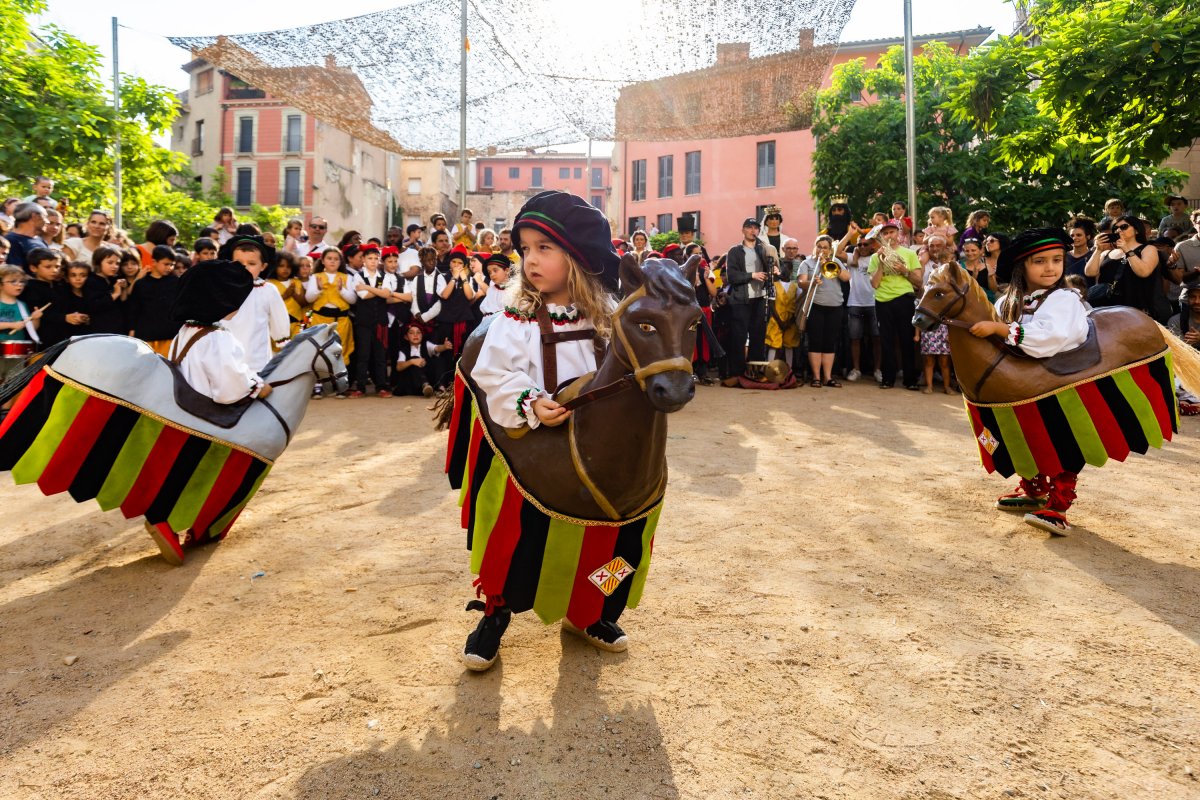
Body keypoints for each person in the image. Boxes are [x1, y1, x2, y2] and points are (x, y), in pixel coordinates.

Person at [459, 190, 625, 671]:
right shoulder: (517, 316)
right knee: (517, 537)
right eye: (525, 249)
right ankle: (495, 612)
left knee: (618, 537)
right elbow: (494, 373)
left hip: (596, 451)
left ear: (575, 256)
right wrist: (531, 401)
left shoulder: (608, 315)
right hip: (536, 447)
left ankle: (593, 610)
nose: (530, 259)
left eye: (543, 248)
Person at [965, 229, 1090, 534]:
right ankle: (1033, 488)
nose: (1051, 267)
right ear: (1023, 267)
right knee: (1024, 435)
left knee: (1063, 439)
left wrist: (1000, 329)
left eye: (1057, 260)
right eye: (1040, 261)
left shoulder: (1064, 298)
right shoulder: (1009, 300)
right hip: (1025, 385)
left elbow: (1052, 337)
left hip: (1061, 383)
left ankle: (1059, 503)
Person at [221, 235, 291, 374]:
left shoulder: (268, 290)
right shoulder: (221, 288)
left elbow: (279, 320)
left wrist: (281, 339)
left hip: (256, 360)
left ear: (263, 266)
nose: (244, 267)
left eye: (251, 263)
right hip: (224, 358)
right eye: (238, 263)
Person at [866, 222, 923, 389]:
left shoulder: (909, 253)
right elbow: (875, 284)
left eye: (892, 232)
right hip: (883, 300)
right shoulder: (875, 257)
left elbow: (919, 282)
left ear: (898, 233)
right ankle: (888, 378)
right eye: (885, 233)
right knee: (886, 341)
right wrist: (882, 265)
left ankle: (910, 380)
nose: (889, 236)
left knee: (907, 340)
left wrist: (905, 270)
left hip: (904, 298)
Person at [722, 217, 775, 385]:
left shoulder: (763, 249)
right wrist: (752, 275)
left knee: (758, 337)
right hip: (740, 300)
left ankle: (755, 373)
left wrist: (774, 269)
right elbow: (732, 276)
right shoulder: (735, 251)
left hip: (760, 298)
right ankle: (737, 374)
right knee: (738, 337)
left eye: (756, 228)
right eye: (749, 227)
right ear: (743, 230)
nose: (753, 231)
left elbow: (776, 270)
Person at [1084, 213, 1165, 320]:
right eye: (1115, 228)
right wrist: (1098, 250)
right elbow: (1090, 272)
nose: (1118, 230)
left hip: (1136, 308)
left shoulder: (1148, 249)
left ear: (1136, 230)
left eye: (1124, 227)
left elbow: (1144, 272)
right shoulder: (1107, 253)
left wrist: (1127, 250)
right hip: (1108, 308)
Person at [798, 235, 849, 387]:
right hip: (816, 305)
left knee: (830, 342)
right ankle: (816, 377)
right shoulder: (807, 262)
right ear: (815, 247)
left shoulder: (836, 261)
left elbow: (846, 277)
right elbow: (801, 283)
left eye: (825, 247)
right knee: (815, 341)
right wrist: (811, 282)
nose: (822, 249)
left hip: (835, 306)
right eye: (819, 246)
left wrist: (829, 263)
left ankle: (828, 377)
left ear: (829, 249)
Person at [305, 247, 356, 392]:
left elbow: (352, 300)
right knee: (318, 350)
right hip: (320, 319)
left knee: (341, 351)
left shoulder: (347, 278)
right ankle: (318, 384)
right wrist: (318, 289)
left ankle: (340, 384)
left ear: (341, 262)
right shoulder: (316, 277)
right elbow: (309, 298)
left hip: (340, 319)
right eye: (329, 258)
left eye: (336, 259)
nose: (332, 261)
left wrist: (341, 290)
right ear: (323, 260)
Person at [349, 243, 397, 397]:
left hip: (380, 322)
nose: (373, 261)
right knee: (363, 354)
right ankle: (360, 386)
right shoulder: (358, 276)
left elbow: (387, 294)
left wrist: (368, 288)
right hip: (364, 322)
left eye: (376, 258)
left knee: (380, 355)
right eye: (370, 258)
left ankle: (381, 386)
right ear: (363, 259)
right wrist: (378, 291)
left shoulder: (385, 276)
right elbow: (362, 296)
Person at [837, 222, 881, 383]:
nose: (862, 246)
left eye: (865, 244)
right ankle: (856, 369)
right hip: (855, 302)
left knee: (877, 338)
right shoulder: (852, 258)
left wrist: (874, 236)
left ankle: (877, 369)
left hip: (875, 302)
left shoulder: (877, 257)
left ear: (872, 246)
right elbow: (837, 251)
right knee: (855, 338)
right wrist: (850, 234)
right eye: (859, 244)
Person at [917, 235, 956, 395]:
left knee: (945, 359)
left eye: (938, 245)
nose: (934, 248)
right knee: (927, 357)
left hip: (945, 315)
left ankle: (947, 385)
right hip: (927, 311)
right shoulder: (923, 263)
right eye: (931, 246)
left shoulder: (950, 265)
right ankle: (927, 382)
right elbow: (919, 287)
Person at [126, 244, 182, 355]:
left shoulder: (176, 282)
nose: (169, 267)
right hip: (147, 336)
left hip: (171, 335)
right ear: (154, 262)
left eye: (172, 265)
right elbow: (134, 308)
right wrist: (132, 329)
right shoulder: (141, 284)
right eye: (166, 264)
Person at [0, 266, 45, 382]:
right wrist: (11, 325)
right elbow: (15, 325)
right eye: (13, 281)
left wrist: (35, 318)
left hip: (16, 352)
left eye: (22, 281)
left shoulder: (22, 305)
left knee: (11, 386)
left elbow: (32, 328)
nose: (19, 285)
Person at [765, 239, 801, 369]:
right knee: (774, 343)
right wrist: (780, 320)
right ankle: (770, 370)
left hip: (791, 318)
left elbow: (798, 299)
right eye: (789, 248)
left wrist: (791, 319)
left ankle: (789, 371)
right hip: (776, 318)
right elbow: (771, 302)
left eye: (794, 248)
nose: (785, 270)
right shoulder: (775, 281)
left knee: (789, 344)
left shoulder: (797, 275)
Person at [392, 323, 450, 397]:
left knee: (439, 360)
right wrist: (412, 361)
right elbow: (399, 367)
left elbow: (436, 348)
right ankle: (425, 385)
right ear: (406, 337)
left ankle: (440, 388)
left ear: (422, 335)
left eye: (418, 333)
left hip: (428, 379)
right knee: (414, 359)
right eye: (411, 333)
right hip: (413, 382)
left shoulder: (426, 345)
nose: (415, 335)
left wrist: (444, 347)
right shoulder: (404, 351)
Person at [84, 244, 128, 334]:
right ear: (98, 262)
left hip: (117, 328)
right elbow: (95, 306)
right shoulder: (91, 281)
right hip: (101, 330)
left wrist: (124, 288)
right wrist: (115, 294)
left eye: (117, 263)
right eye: (110, 262)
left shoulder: (114, 279)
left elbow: (123, 301)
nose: (115, 266)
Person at [267, 251, 306, 337]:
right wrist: (285, 295)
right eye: (281, 266)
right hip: (276, 325)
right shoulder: (269, 284)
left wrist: (294, 294)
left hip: (296, 324)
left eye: (289, 267)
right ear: (274, 267)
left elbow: (303, 303)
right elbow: (268, 304)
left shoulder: (297, 282)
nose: (285, 269)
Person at [4, 202, 48, 272]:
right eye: (45, 217)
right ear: (34, 216)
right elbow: (16, 273)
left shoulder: (40, 240)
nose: (47, 221)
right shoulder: (11, 240)